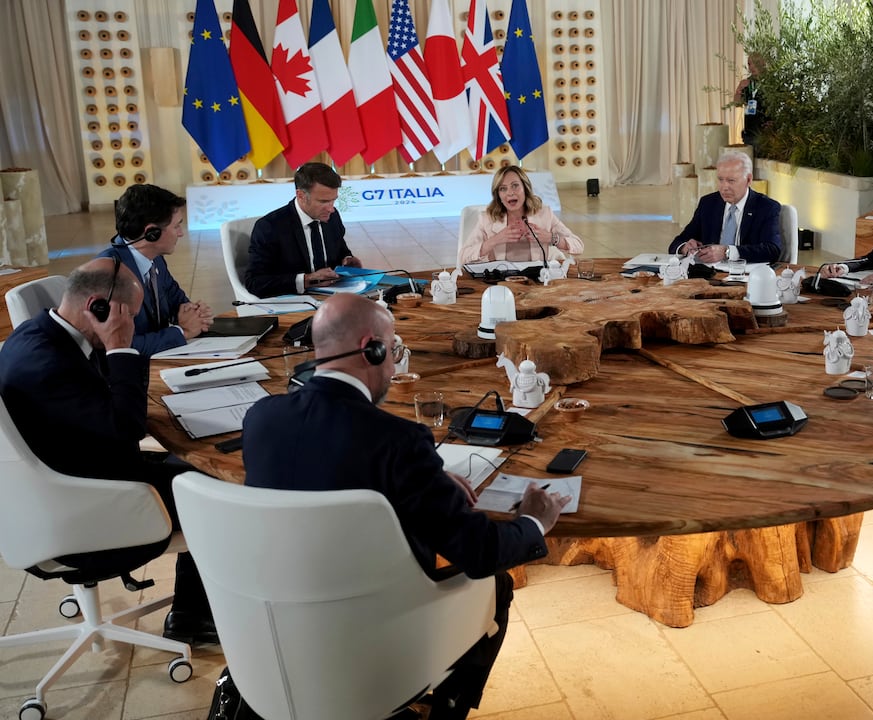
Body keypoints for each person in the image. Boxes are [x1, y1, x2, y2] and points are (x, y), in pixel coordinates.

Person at [241, 293, 569, 719]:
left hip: (278, 624)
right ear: (370, 348)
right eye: (393, 351)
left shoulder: (261, 418)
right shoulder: (398, 442)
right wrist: (533, 521)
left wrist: (422, 481)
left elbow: (322, 474)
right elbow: (479, 552)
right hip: (376, 632)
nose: (394, 366)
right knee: (498, 585)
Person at [0, 258, 217, 644]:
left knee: (185, 462)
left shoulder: (43, 333)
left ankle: (194, 604)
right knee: (211, 487)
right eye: (130, 316)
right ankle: (192, 616)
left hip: (70, 471)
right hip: (81, 504)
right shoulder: (46, 363)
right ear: (98, 307)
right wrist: (119, 346)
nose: (132, 325)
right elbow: (127, 429)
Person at [96, 184, 213, 356]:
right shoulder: (110, 276)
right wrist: (183, 332)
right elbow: (122, 346)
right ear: (152, 233)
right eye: (176, 226)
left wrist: (195, 313)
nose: (181, 233)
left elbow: (177, 299)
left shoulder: (154, 258)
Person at [245, 162, 363, 298]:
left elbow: (340, 250)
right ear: (301, 195)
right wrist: (306, 280)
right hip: (294, 300)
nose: (331, 208)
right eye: (323, 202)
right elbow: (254, 282)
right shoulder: (270, 227)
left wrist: (347, 259)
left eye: (333, 200)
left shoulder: (332, 217)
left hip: (332, 298)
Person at [669, 150, 782, 264]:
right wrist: (685, 248)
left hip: (746, 276)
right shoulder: (708, 203)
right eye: (720, 180)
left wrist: (727, 252)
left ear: (748, 179)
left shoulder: (766, 207)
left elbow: (772, 250)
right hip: (709, 275)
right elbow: (677, 243)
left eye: (731, 181)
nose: (724, 187)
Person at [459, 166, 584, 265]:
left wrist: (551, 238)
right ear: (498, 195)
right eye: (503, 189)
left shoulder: (544, 214)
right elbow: (463, 256)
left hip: (537, 280)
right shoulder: (487, 218)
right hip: (501, 280)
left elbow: (578, 246)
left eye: (515, 186)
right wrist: (496, 240)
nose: (510, 193)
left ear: (525, 188)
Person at [735, 52, 769, 152]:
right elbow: (737, 103)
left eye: (755, 63)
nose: (752, 67)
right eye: (749, 64)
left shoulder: (771, 82)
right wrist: (739, 89)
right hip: (749, 131)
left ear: (762, 63)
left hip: (765, 132)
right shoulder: (747, 82)